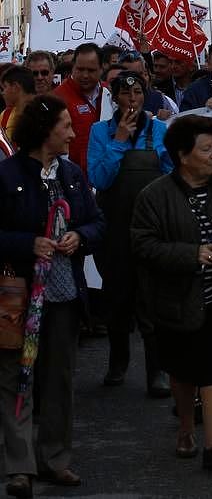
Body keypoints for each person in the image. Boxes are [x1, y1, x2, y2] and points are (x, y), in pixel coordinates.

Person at [131, 116, 212, 466]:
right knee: (183, 368)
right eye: (206, 149)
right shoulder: (154, 196)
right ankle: (186, 428)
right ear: (183, 155)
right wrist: (191, 254)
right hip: (175, 296)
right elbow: (142, 246)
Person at [0, 95, 105, 494]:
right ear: (45, 131)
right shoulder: (7, 176)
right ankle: (19, 466)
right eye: (66, 125)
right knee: (15, 376)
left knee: (59, 377)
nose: (73, 132)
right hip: (18, 295)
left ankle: (55, 459)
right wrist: (28, 243)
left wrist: (81, 236)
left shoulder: (73, 175)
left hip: (63, 296)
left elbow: (98, 222)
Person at [87, 72, 173, 396]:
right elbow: (99, 177)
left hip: (150, 229)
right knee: (117, 299)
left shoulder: (158, 131)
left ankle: (157, 371)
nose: (132, 99)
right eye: (125, 93)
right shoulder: (100, 132)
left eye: (137, 92)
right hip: (114, 228)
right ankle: (117, 361)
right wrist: (119, 141)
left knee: (151, 301)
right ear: (115, 98)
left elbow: (171, 176)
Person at [54, 43, 113, 178]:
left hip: (106, 176)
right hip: (73, 178)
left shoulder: (110, 94)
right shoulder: (57, 98)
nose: (85, 75)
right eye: (80, 69)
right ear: (73, 67)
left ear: (102, 69)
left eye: (91, 70)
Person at [118, 50, 178, 119]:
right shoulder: (110, 101)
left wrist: (169, 117)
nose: (139, 79)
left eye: (141, 73)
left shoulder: (163, 100)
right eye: (132, 75)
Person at [0, 67, 36, 145]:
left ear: (15, 87)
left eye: (5, 87)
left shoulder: (44, 114)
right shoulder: (5, 114)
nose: (3, 93)